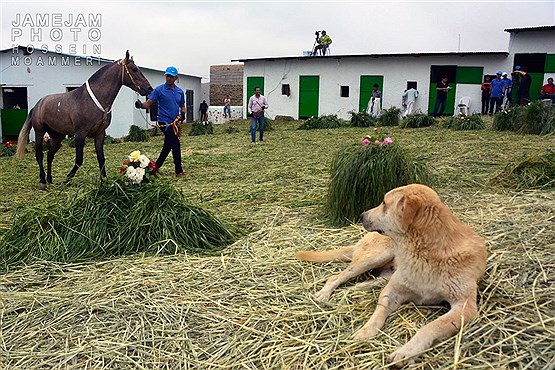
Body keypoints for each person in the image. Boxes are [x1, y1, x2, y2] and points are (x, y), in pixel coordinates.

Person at [135, 66, 185, 178]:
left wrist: (183, 114)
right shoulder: (159, 90)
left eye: (171, 76)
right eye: (167, 76)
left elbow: (182, 106)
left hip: (175, 123)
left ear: (176, 77)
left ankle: (155, 167)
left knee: (168, 145)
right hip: (164, 123)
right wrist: (141, 105)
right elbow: (148, 103)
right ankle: (179, 171)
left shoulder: (179, 92)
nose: (168, 78)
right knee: (175, 144)